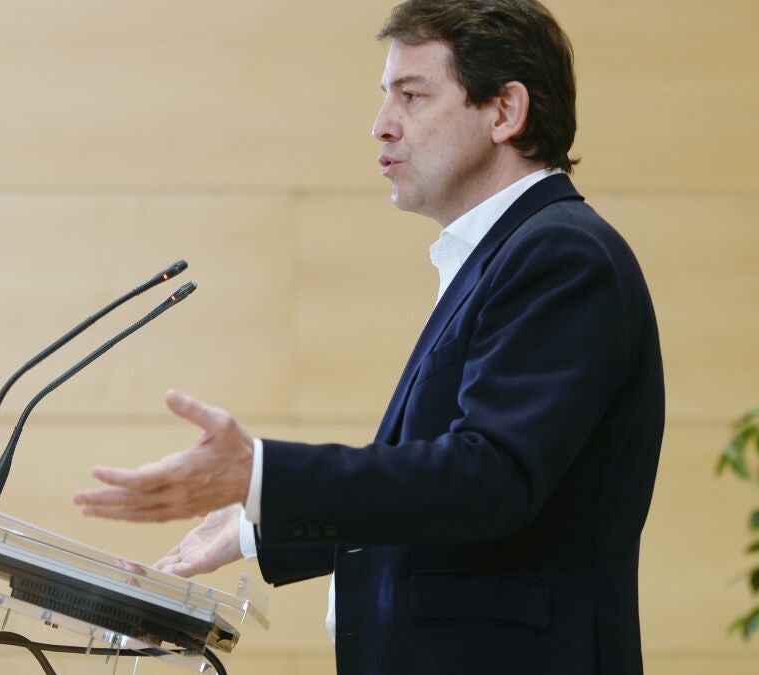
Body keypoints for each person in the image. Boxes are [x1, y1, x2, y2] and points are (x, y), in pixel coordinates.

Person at [73, 1, 665, 672]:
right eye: (386, 96)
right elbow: (440, 495)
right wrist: (253, 527)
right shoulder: (509, 253)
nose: (381, 124)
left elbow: (487, 480)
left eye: (412, 96)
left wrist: (263, 475)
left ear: (505, 111)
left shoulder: (562, 256)